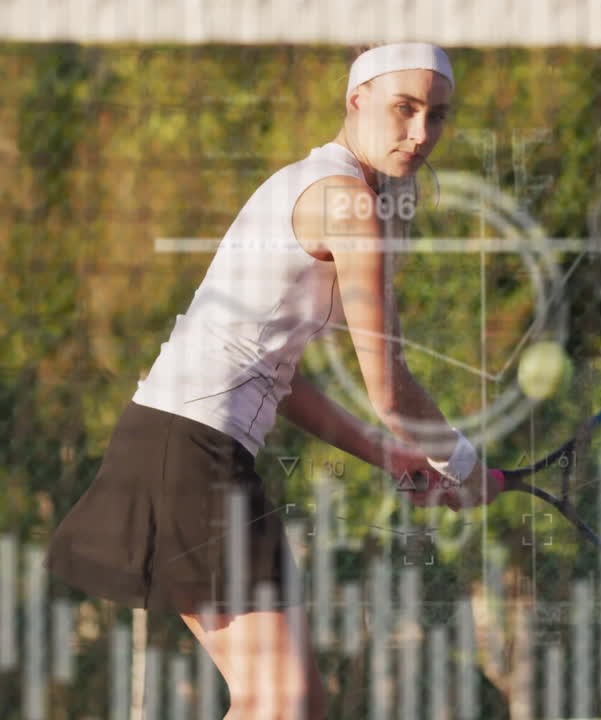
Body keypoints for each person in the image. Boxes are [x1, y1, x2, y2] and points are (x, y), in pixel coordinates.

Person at [43, 42, 502, 719]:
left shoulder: (310, 184)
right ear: (356, 102)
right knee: (278, 702)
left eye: (436, 116)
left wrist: (387, 453)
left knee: (297, 703)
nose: (420, 133)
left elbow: (280, 381)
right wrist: (462, 463)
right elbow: (390, 387)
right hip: (190, 450)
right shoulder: (345, 204)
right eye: (404, 109)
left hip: (178, 442)